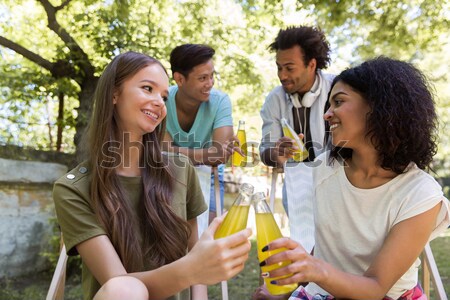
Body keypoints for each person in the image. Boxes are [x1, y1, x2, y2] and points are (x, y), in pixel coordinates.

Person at [52, 51, 252, 300]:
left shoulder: (180, 169)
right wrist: (192, 269)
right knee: (125, 289)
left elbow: (195, 257)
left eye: (164, 96)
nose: (159, 102)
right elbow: (119, 285)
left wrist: (197, 272)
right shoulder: (73, 189)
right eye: (148, 88)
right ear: (114, 94)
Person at [253, 57, 450, 299]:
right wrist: (288, 288)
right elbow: (326, 250)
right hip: (323, 292)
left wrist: (313, 268)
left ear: (380, 107)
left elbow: (376, 287)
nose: (327, 114)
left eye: (338, 102)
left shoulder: (420, 193)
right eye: (328, 104)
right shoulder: (324, 168)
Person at [259, 25, 335, 215]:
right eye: (279, 68)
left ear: (312, 64)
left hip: (338, 189)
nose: (282, 75)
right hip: (296, 195)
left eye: (289, 68)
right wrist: (276, 152)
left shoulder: (337, 88)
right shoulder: (274, 99)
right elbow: (265, 153)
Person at [162, 43, 241, 223]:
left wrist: (174, 152)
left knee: (209, 232)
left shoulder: (220, 101)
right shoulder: (163, 101)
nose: (210, 84)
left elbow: (219, 156)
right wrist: (206, 154)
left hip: (211, 175)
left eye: (212, 76)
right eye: (203, 78)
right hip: (170, 174)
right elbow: (161, 153)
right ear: (180, 79)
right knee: (173, 232)